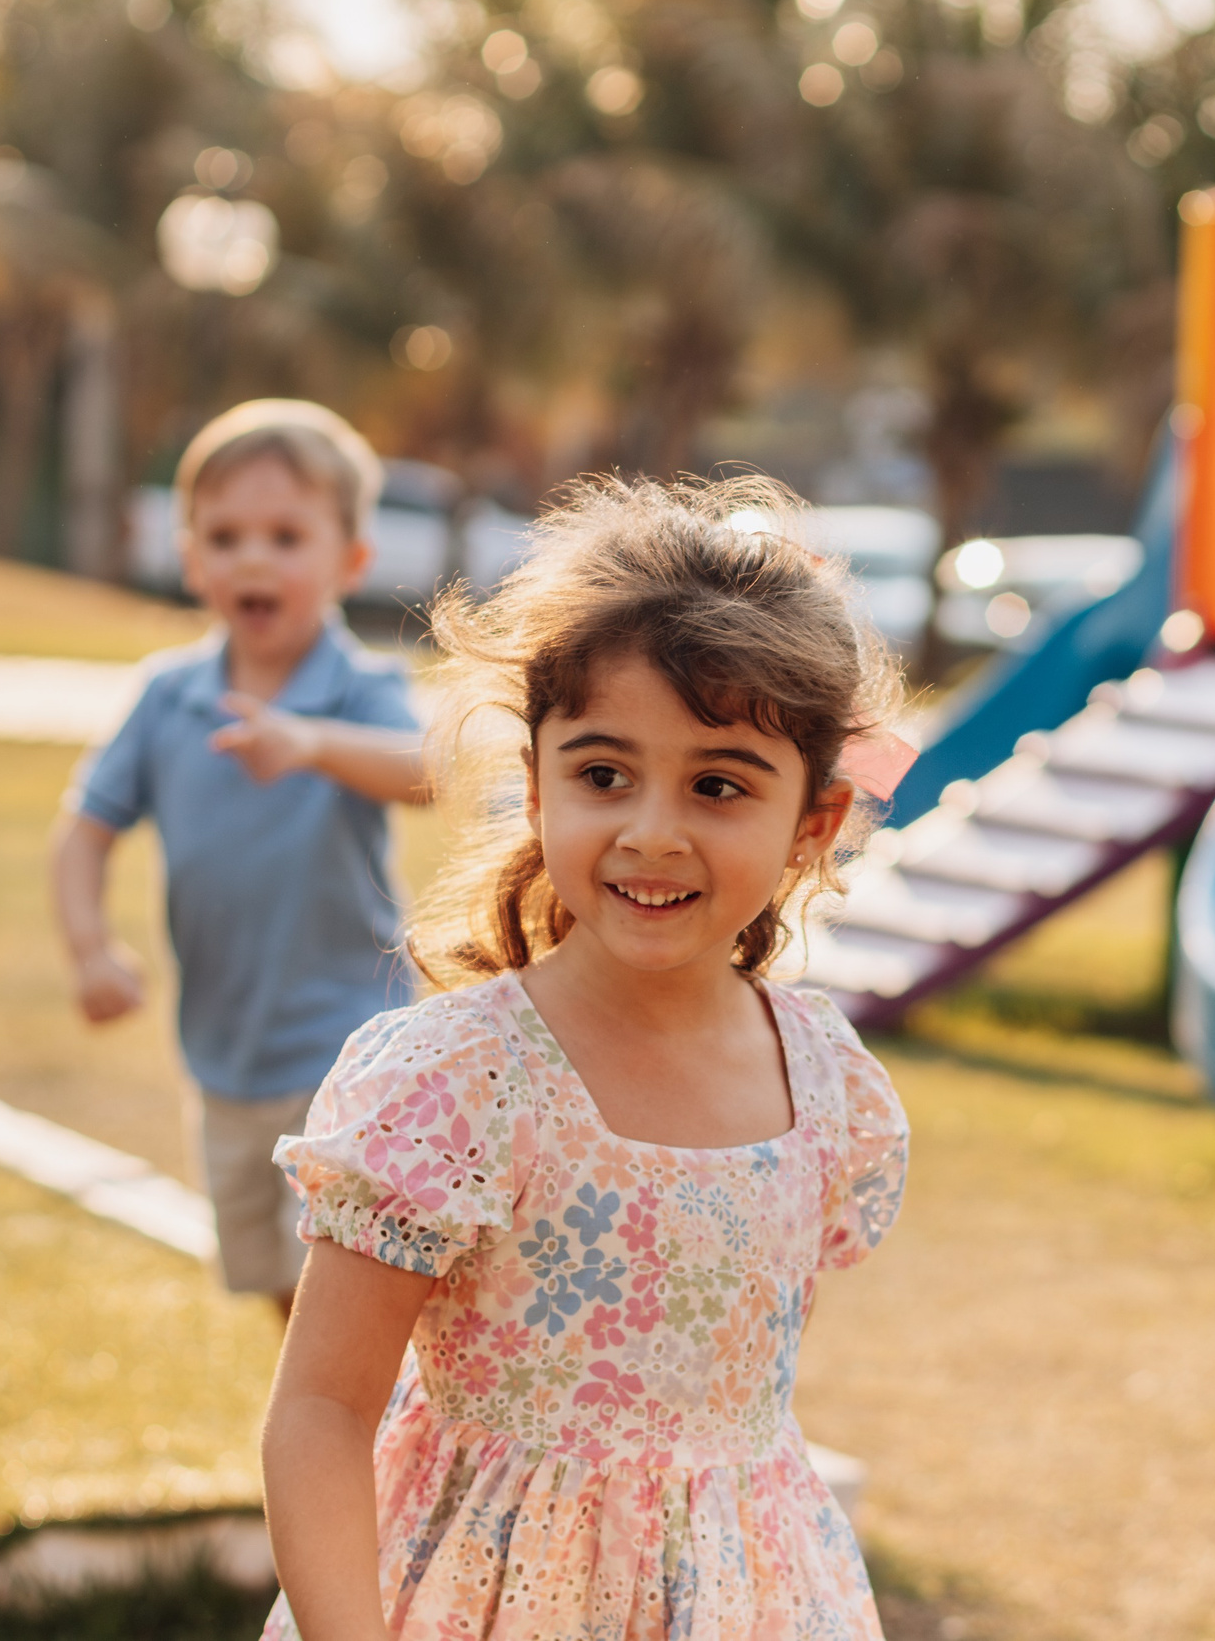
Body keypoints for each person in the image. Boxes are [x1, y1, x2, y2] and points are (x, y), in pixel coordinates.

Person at [259, 474, 911, 1641]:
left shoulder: (825, 1078)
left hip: (751, 1602)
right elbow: (318, 1407)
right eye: (604, 774)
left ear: (813, 824)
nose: (651, 830)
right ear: (537, 779)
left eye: (718, 785)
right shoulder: (457, 1079)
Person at [51, 399, 432, 1320]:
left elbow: (429, 773)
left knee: (351, 1279)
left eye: (285, 535)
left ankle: (374, 1454)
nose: (253, 558)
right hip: (224, 1053)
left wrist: (309, 742)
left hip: (351, 1044)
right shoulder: (169, 696)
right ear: (191, 559)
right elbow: (84, 829)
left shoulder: (359, 687)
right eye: (225, 536)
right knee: (270, 1275)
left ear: (350, 561)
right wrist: (90, 947)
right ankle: (331, 1444)